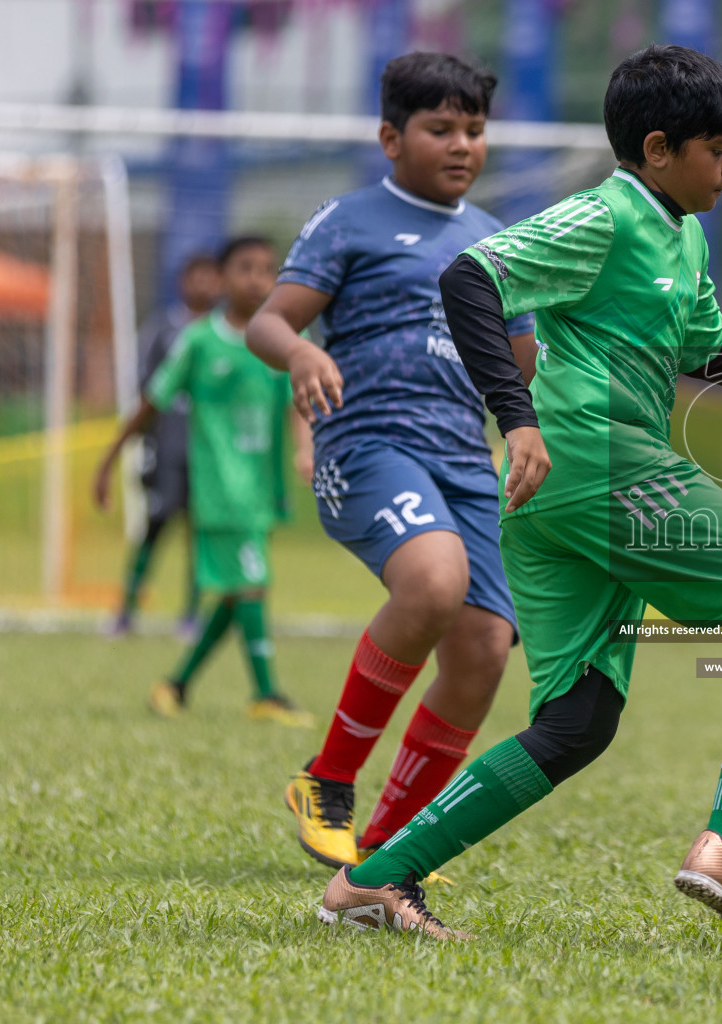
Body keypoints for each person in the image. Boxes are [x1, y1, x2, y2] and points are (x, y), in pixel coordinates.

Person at [314, 44, 722, 944]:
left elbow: (708, 355)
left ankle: (375, 878)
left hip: (556, 499)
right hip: (596, 462)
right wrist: (516, 417)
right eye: (719, 148)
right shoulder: (606, 214)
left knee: (577, 723)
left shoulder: (683, 234)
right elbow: (471, 276)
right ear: (659, 149)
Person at [246, 52, 538, 875]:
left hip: (463, 462)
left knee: (483, 648)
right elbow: (267, 324)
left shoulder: (496, 243)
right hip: (369, 443)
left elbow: (522, 364)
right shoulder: (350, 221)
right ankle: (327, 780)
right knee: (434, 583)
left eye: (475, 130)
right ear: (389, 137)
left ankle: (385, 850)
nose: (462, 145)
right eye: (440, 128)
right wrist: (301, 353)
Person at [94, 236, 312, 727]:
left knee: (237, 592)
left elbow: (297, 400)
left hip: (261, 488)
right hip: (217, 488)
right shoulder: (198, 340)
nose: (257, 278)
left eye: (266, 269)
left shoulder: (280, 340)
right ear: (221, 278)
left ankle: (175, 685)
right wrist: (108, 462)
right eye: (244, 268)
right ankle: (266, 694)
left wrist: (305, 449)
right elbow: (149, 405)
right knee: (252, 585)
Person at [109, 252, 222, 638]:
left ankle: (189, 615)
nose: (204, 285)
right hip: (168, 450)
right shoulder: (163, 329)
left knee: (201, 534)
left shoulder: (224, 333)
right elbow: (147, 392)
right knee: (155, 529)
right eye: (197, 277)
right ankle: (125, 611)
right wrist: (142, 442)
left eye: (211, 277)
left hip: (210, 455)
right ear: (181, 282)